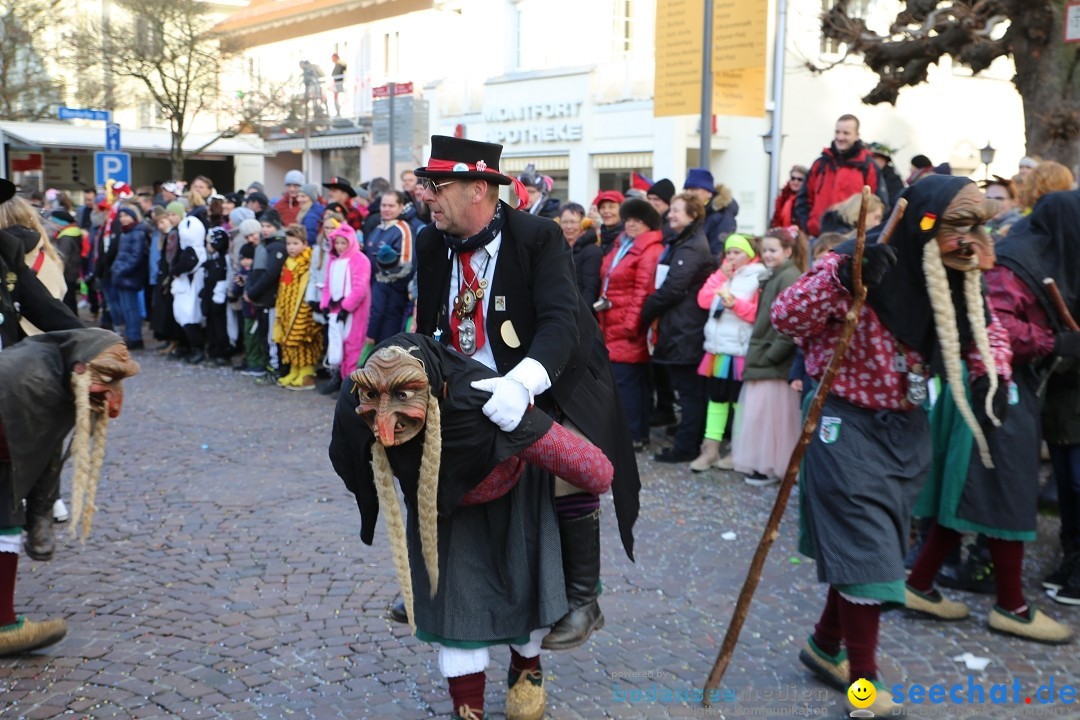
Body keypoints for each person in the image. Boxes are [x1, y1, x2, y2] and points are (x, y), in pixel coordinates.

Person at [772, 175, 1012, 716]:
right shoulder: (860, 259)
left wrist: (991, 378)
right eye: (957, 226)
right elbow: (786, 316)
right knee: (872, 558)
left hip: (906, 430)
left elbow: (988, 332)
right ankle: (863, 687)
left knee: (869, 554)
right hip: (844, 425)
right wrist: (842, 277)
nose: (970, 239)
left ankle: (823, 645)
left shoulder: (955, 279)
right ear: (925, 224)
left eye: (979, 227)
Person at [411, 135, 639, 654]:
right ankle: (432, 583)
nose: (426, 196)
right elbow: (430, 323)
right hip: (470, 379)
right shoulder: (430, 243)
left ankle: (583, 597)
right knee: (416, 452)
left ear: (478, 189)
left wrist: (523, 382)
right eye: (426, 184)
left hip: (556, 373)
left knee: (569, 459)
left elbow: (561, 323)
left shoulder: (537, 236)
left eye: (436, 186)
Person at [330, 335, 613, 720]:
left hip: (510, 453)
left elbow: (596, 471)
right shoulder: (355, 405)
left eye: (398, 401)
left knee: (523, 584)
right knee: (454, 607)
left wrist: (528, 409)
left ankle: (527, 669)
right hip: (443, 514)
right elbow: (350, 456)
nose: (383, 427)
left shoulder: (492, 409)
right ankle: (467, 710)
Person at [903, 190, 1077, 641]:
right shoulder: (1018, 260)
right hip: (992, 385)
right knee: (1007, 489)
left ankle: (920, 585)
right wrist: (1053, 343)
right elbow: (993, 324)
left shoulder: (1031, 252)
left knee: (967, 492)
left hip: (990, 384)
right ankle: (1011, 606)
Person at [641, 192, 716, 463]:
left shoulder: (692, 246)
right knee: (687, 390)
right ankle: (687, 440)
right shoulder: (683, 241)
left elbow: (673, 288)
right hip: (680, 325)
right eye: (670, 209)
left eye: (676, 210)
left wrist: (646, 311)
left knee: (689, 392)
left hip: (686, 327)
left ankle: (686, 447)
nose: (670, 214)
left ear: (693, 215)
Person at [730, 227, 807, 486]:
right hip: (766, 355)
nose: (768, 255)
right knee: (763, 417)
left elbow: (790, 324)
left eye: (774, 250)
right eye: (765, 250)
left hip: (772, 360)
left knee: (771, 418)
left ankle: (773, 465)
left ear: (788, 251)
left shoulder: (788, 277)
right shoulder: (776, 276)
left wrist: (772, 356)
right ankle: (768, 464)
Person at [689, 234, 767, 472]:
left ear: (750, 255)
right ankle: (710, 450)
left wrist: (735, 304)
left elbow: (758, 314)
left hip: (740, 350)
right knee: (717, 399)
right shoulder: (724, 276)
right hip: (717, 349)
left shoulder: (758, 277)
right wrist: (721, 275)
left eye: (737, 252)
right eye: (729, 252)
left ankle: (738, 450)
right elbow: (703, 300)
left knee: (740, 404)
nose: (731, 257)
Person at [595, 198, 665, 451]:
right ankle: (632, 432)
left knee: (629, 383)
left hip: (626, 325)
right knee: (628, 381)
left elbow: (642, 291)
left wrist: (630, 325)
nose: (631, 224)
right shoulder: (622, 245)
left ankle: (634, 434)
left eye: (638, 220)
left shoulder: (648, 249)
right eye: (629, 220)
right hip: (613, 321)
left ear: (648, 224)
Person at [794, 114, 888, 237]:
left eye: (846, 133)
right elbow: (804, 198)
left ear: (857, 135)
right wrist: (809, 226)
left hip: (850, 238)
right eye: (837, 132)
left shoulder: (868, 166)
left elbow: (878, 204)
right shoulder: (820, 164)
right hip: (819, 237)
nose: (840, 137)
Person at [319, 222, 371, 395]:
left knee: (352, 346)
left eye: (343, 243)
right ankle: (341, 381)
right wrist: (325, 305)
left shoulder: (359, 259)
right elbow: (327, 284)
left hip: (353, 312)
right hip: (336, 310)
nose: (340, 247)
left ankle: (351, 388)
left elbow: (360, 287)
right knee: (337, 345)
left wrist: (346, 307)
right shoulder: (333, 261)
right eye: (337, 243)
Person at [273, 225, 323, 389]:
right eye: (289, 244)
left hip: (303, 311)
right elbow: (284, 286)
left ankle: (306, 373)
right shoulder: (289, 262)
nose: (291, 247)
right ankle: (294, 370)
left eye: (295, 243)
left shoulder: (307, 263)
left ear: (304, 243)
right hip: (288, 310)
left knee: (303, 342)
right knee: (289, 342)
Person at [364, 190, 414, 344]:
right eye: (383, 205)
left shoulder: (402, 228)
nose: (386, 209)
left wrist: (382, 284)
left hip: (392, 297)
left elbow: (406, 265)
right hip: (374, 292)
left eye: (391, 206)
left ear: (400, 207)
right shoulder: (378, 228)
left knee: (386, 344)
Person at [245, 211, 288, 383]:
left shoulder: (277, 246)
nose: (265, 229)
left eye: (269, 226)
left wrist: (253, 291)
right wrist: (250, 290)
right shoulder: (265, 245)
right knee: (264, 335)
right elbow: (255, 272)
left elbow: (270, 274)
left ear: (277, 227)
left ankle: (275, 369)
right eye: (263, 226)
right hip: (261, 299)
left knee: (271, 337)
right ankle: (269, 366)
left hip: (270, 299)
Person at [170, 217, 207, 364]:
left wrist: (174, 270)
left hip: (190, 288)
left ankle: (198, 349)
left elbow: (183, 266)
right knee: (185, 317)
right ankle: (190, 348)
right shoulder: (193, 250)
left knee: (189, 317)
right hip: (186, 287)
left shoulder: (193, 251)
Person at [682, 168, 739, 256]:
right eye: (686, 189)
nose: (688, 193)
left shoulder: (722, 215)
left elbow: (717, 253)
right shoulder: (692, 213)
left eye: (694, 189)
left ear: (708, 192)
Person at [559, 203, 602, 307]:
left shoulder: (591, 251)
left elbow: (591, 289)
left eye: (573, 222)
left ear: (583, 223)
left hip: (579, 311)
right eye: (565, 222)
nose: (569, 227)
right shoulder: (556, 248)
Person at [201, 227, 231, 366]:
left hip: (217, 300)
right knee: (212, 326)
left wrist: (217, 296)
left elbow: (222, 280)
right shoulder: (212, 260)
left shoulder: (222, 262)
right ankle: (212, 350)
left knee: (219, 326)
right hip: (210, 298)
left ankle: (221, 353)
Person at [590, 190, 625, 256]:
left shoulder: (627, 237)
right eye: (603, 207)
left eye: (611, 207)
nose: (606, 211)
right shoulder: (597, 237)